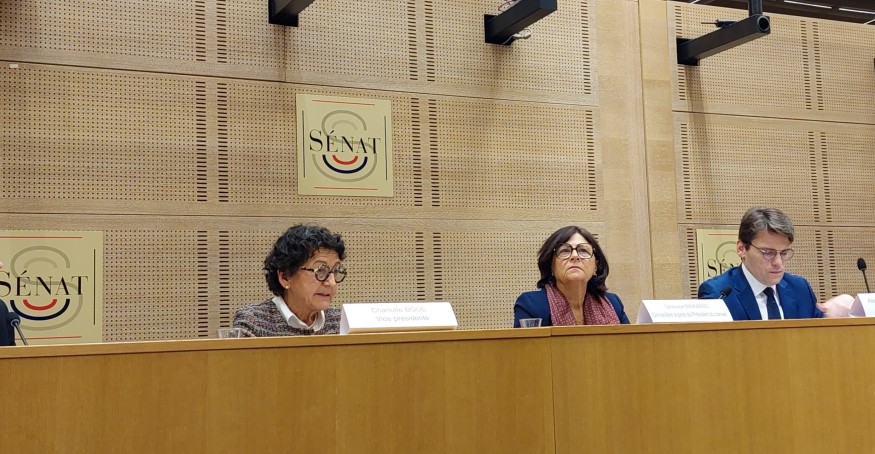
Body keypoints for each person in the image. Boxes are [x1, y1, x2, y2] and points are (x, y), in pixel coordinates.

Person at [698, 207, 825, 320]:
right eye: (768, 253)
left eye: (784, 253)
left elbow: (820, 334)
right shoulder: (718, 294)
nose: (778, 262)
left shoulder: (800, 289)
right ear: (742, 249)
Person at [233, 224, 347, 336]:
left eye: (335, 271)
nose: (331, 283)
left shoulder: (340, 322)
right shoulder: (254, 322)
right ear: (285, 277)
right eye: (320, 270)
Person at [513, 226, 630, 327]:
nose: (575, 256)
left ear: (596, 266)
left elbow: (630, 344)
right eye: (565, 251)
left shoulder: (613, 303)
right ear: (551, 266)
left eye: (583, 250)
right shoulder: (531, 305)